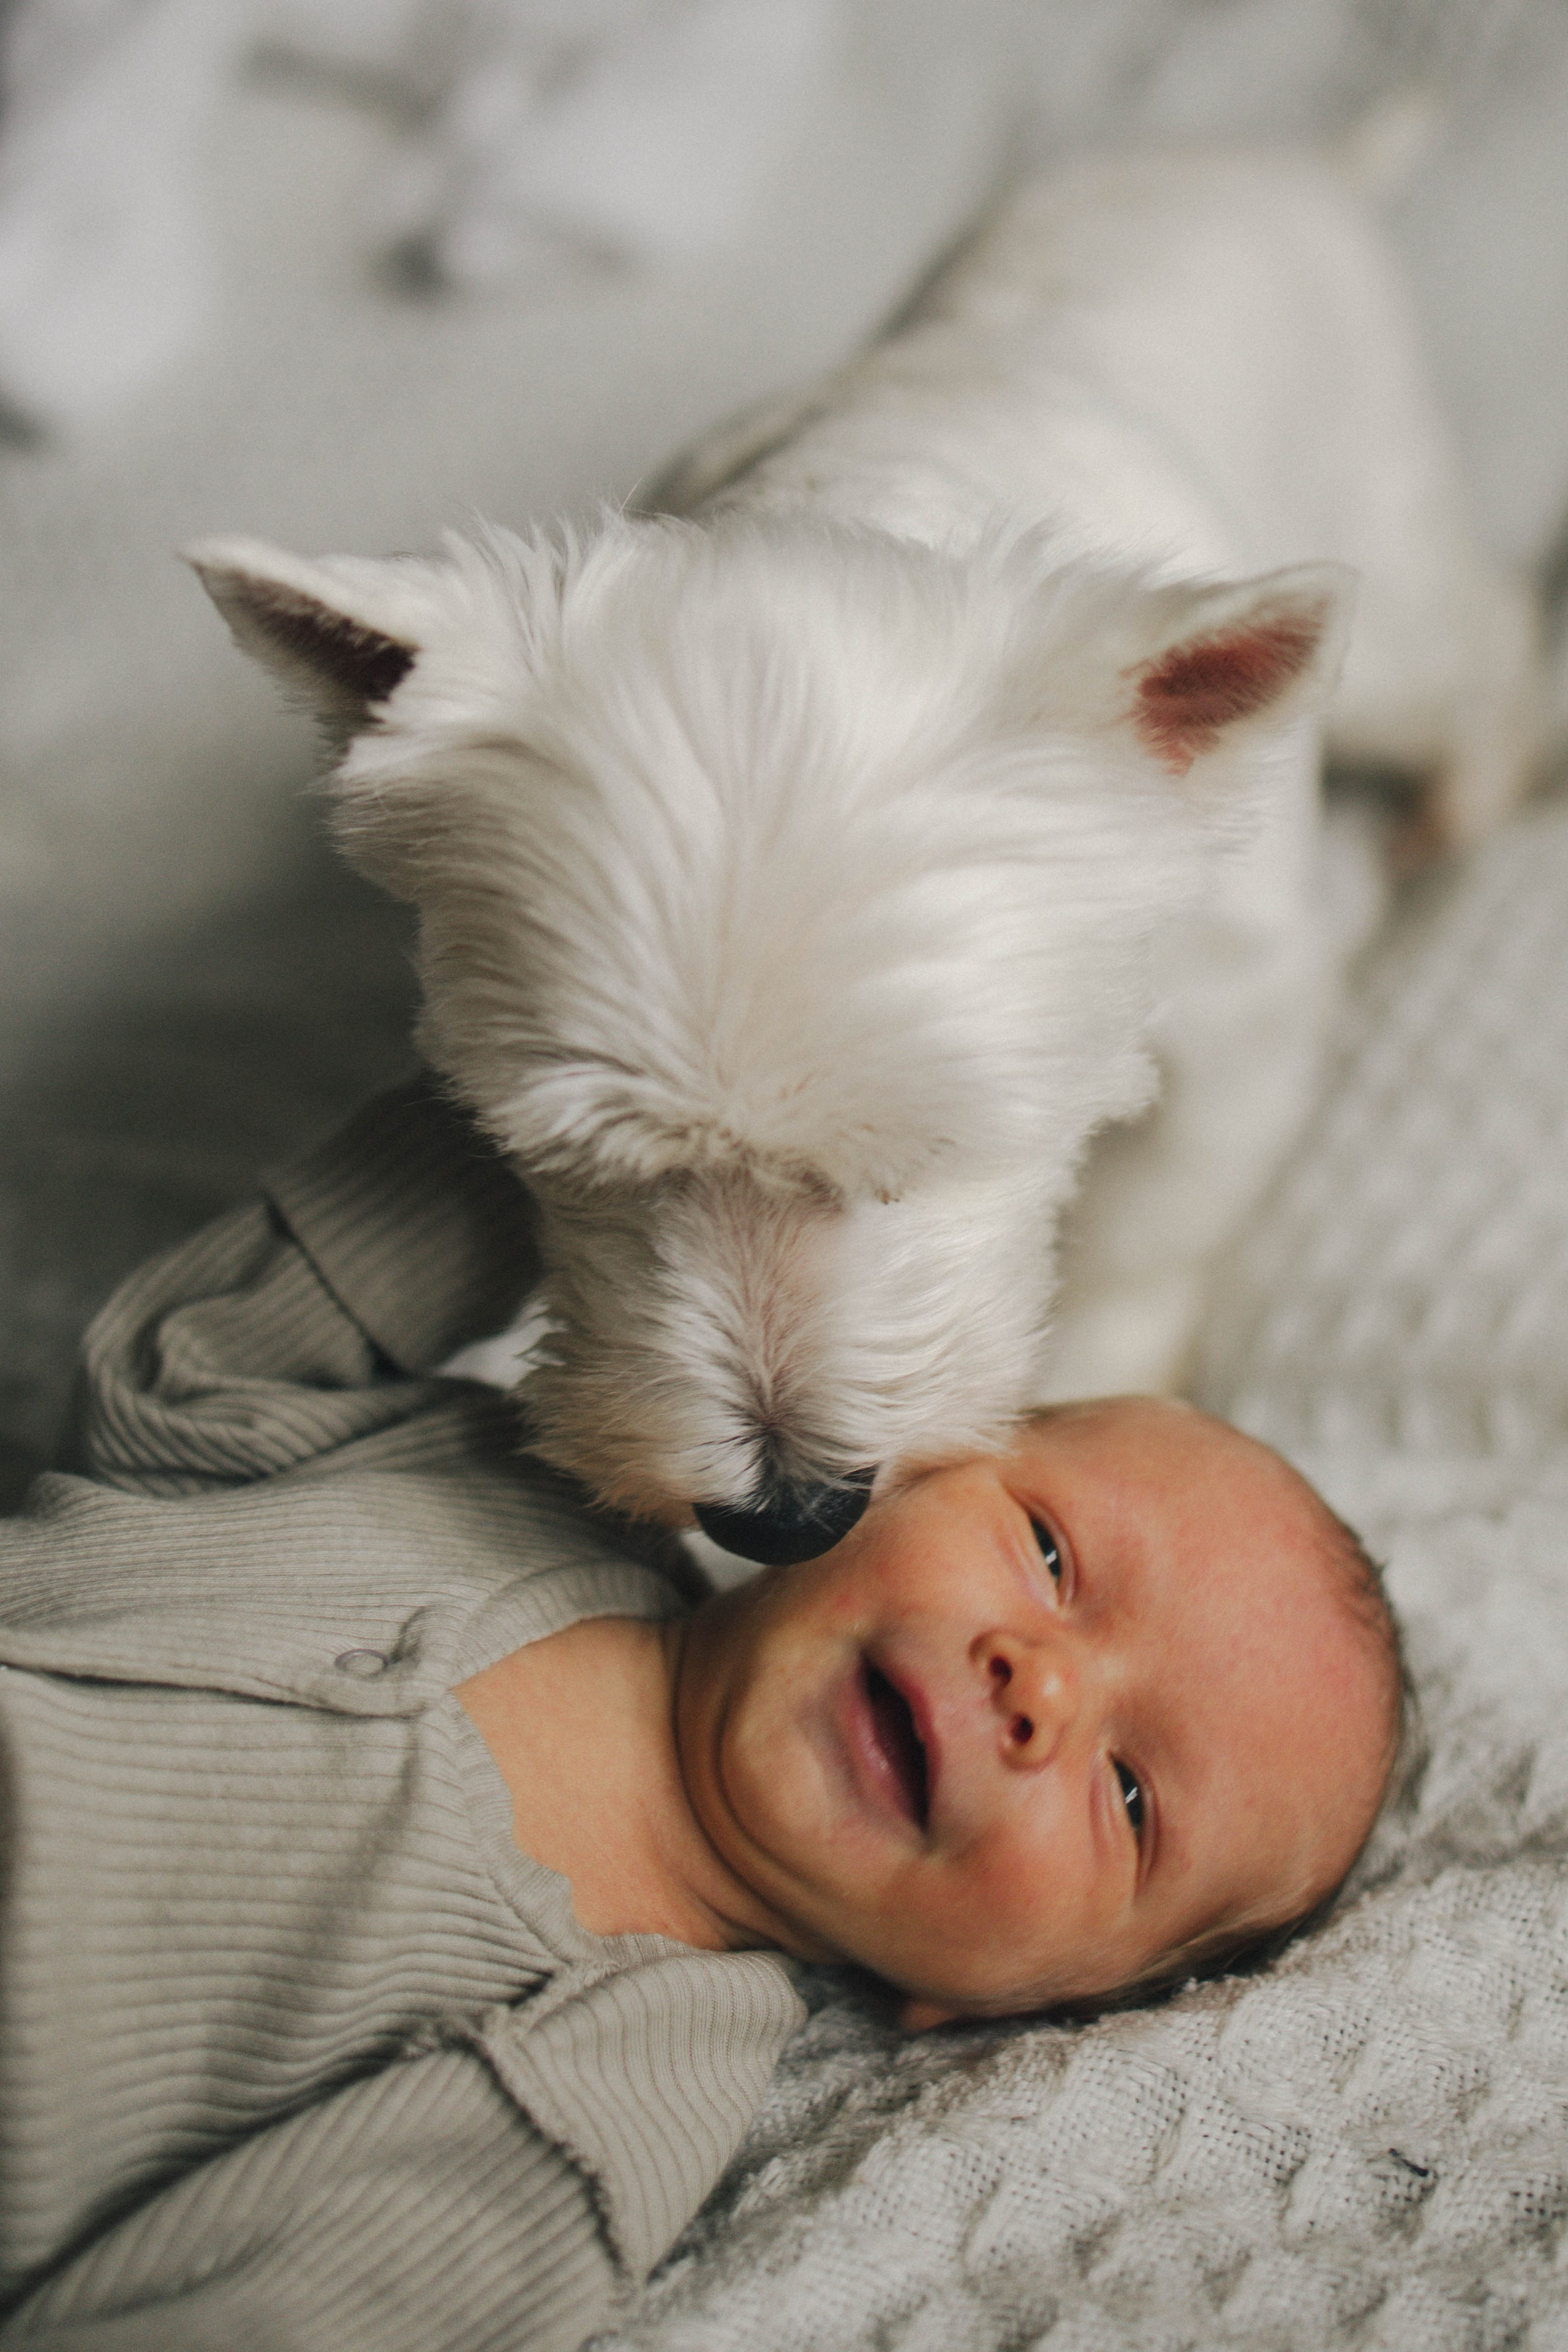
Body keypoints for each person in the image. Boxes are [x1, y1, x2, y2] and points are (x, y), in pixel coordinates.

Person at [0, 1083, 1404, 2351]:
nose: (1040, 1687)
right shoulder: (497, 1470)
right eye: (1048, 1554)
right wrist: (621, 1120)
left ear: (1016, 2004)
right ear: (912, 1453)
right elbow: (180, 1389)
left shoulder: (606, 2088)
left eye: (1131, 1801)